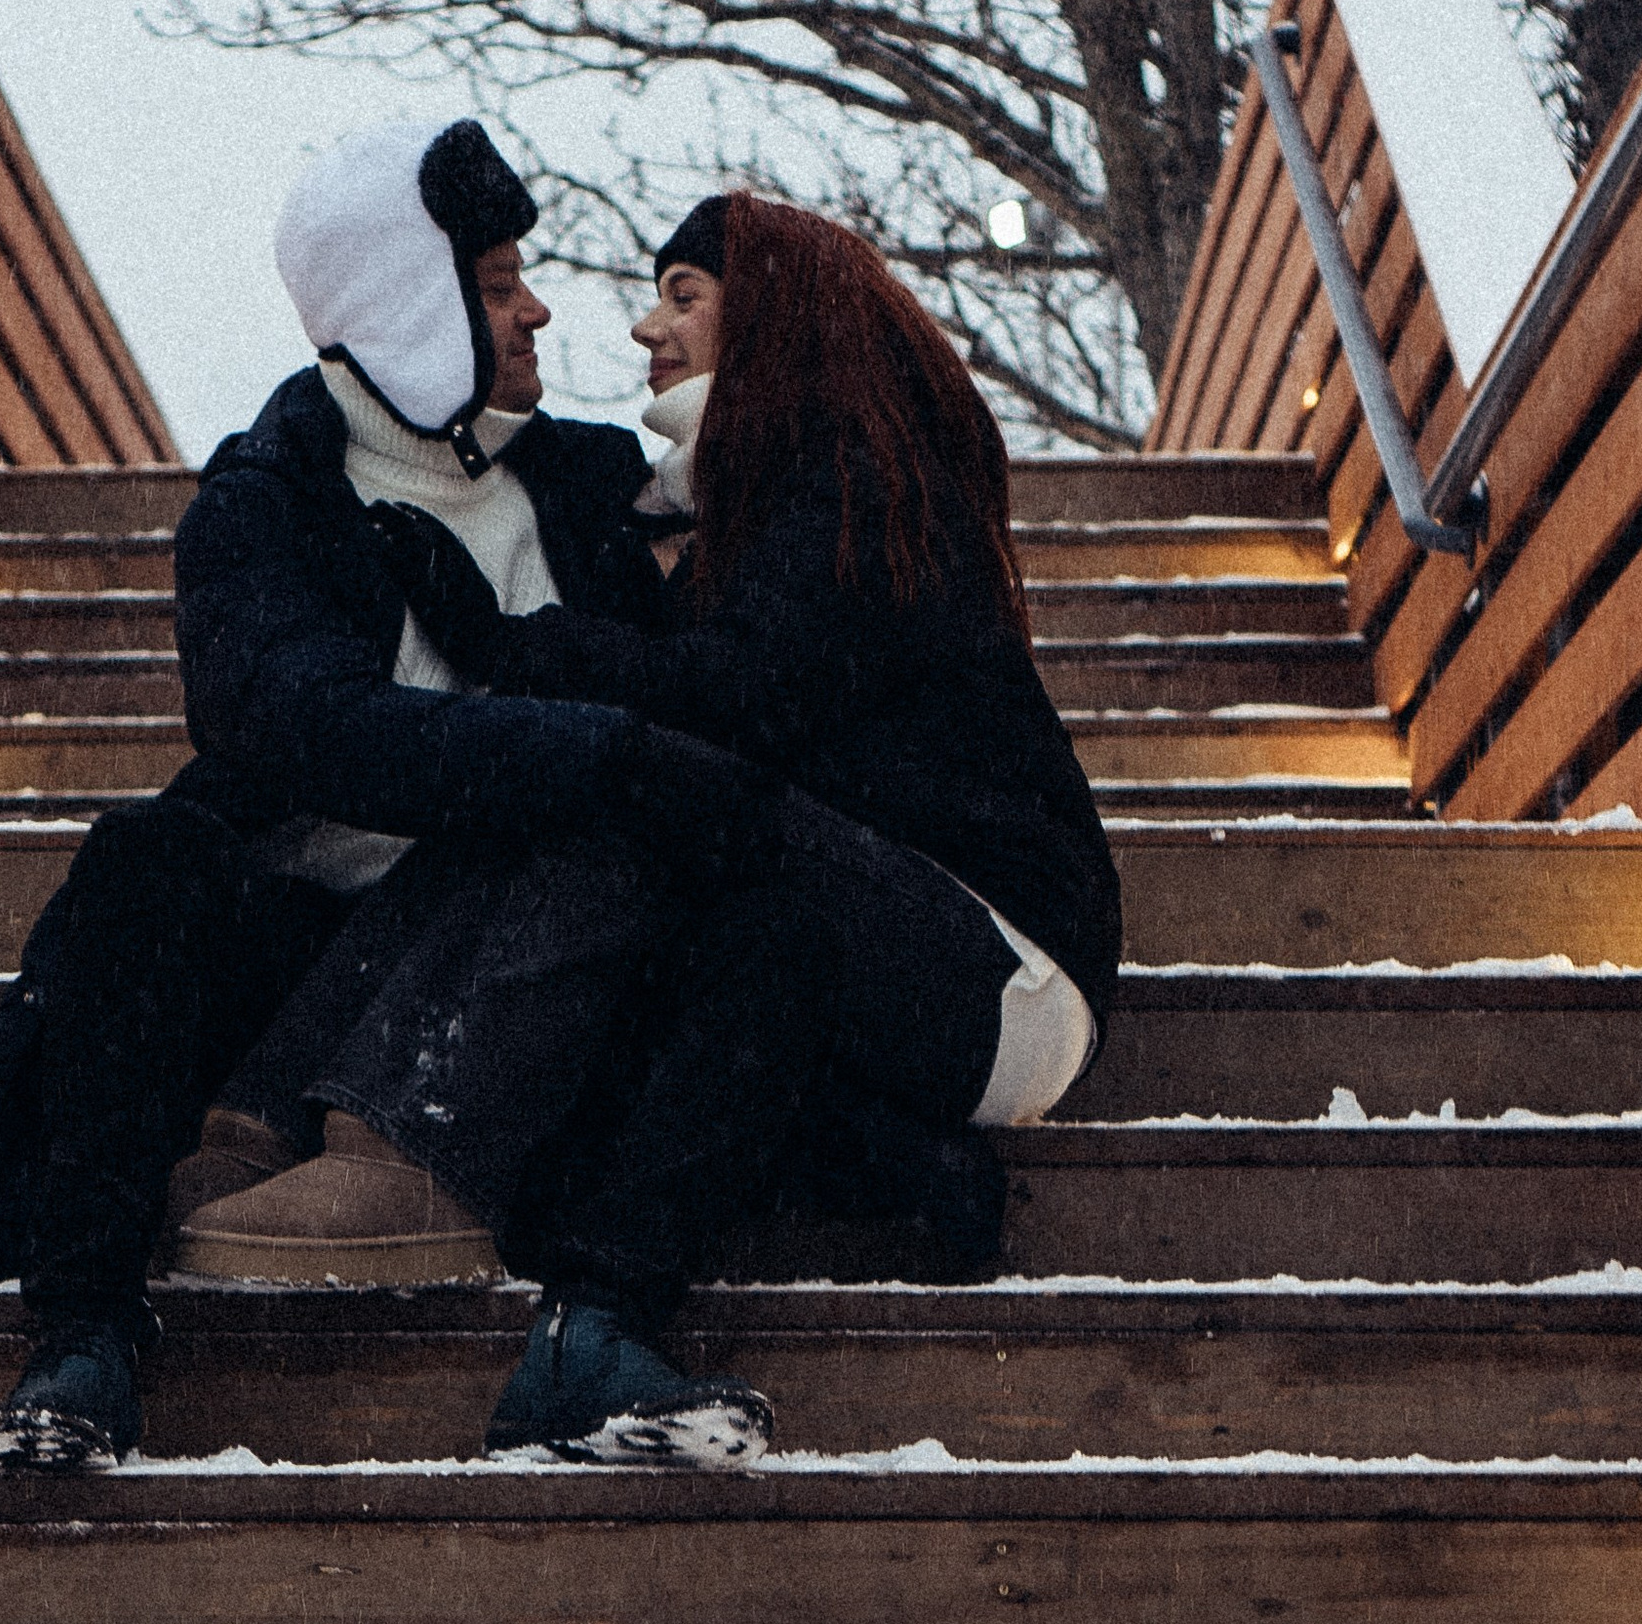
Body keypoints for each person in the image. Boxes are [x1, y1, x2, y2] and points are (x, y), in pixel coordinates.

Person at [0, 110, 767, 1472]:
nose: (538, 312)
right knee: (147, 856)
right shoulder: (266, 498)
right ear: (411, 307)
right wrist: (592, 751)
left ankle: (589, 1317)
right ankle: (85, 1335)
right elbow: (300, 727)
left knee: (690, 876)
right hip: (296, 959)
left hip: (526, 970)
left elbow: (766, 588)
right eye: (497, 285)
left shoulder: (590, 485)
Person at [177, 188, 1122, 1464]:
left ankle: (405, 1151)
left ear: (774, 311)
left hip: (995, 957)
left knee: (607, 777)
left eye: (684, 296)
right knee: (585, 815)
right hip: (862, 949)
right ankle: (309, 1149)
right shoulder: (740, 500)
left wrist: (510, 643)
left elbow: (741, 696)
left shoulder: (850, 474)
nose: (644, 327)